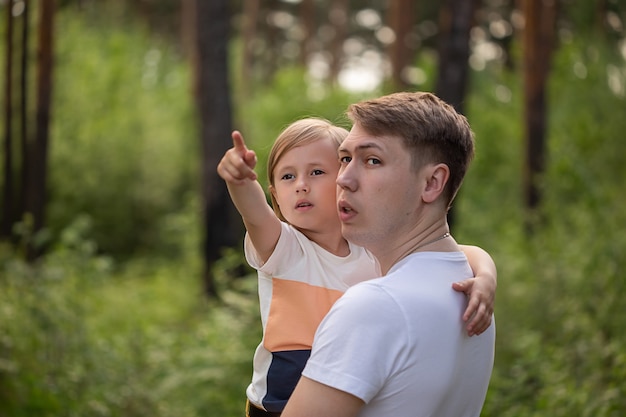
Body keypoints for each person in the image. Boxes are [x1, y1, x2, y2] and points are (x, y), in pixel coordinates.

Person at [217, 117, 496, 417]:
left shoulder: (372, 251)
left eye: (316, 172)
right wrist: (241, 182)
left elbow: (460, 251)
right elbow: (255, 215)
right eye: (287, 177)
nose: (301, 185)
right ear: (274, 196)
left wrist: (486, 276)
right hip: (274, 406)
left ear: (344, 182)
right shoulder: (285, 248)